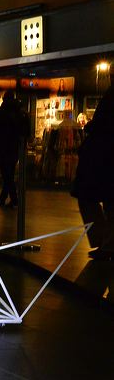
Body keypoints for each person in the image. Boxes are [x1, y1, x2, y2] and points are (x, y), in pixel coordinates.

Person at [72, 84, 114, 260]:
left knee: (91, 198)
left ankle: (106, 242)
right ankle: (107, 242)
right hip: (103, 157)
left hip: (101, 157)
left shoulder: (109, 96)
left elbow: (103, 123)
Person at [0, 91, 29, 207]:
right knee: (8, 173)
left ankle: (13, 198)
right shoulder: (19, 113)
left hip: (2, 147)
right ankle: (4, 198)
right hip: (14, 147)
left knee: (7, 174)